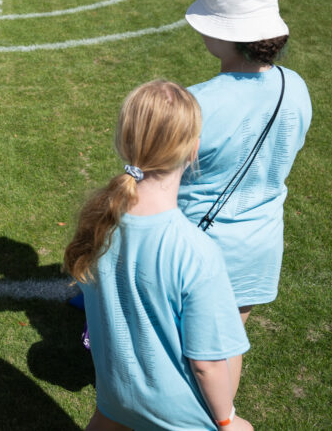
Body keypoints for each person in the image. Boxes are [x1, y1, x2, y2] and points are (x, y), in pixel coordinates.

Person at [64, 80, 251, 431]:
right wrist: (228, 420)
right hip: (179, 416)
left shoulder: (97, 224)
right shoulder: (196, 252)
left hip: (115, 397)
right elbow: (206, 364)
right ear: (194, 149)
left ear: (123, 142)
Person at [179, 0, 312, 394]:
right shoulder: (296, 86)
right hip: (259, 246)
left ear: (225, 33)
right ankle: (223, 417)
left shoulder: (194, 104)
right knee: (227, 350)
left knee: (179, 364)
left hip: (194, 251)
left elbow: (155, 184)